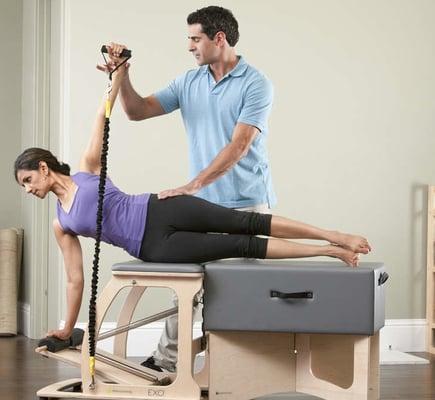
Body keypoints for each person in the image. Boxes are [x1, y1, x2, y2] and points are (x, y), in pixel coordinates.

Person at [14, 63, 371, 362]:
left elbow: (101, 117)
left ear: (44, 168)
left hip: (162, 205)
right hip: (155, 245)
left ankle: (334, 235)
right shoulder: (61, 224)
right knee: (242, 245)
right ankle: (328, 251)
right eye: (24, 186)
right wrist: (66, 327)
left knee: (246, 222)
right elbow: (75, 279)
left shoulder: (85, 170)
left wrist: (119, 74)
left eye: (29, 180)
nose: (30, 189)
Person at [99, 5, 277, 371]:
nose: (190, 46)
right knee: (185, 286)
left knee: (233, 292)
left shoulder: (256, 83)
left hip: (245, 204)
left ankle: (233, 368)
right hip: (200, 207)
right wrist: (122, 76)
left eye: (195, 39)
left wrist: (193, 183)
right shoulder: (189, 82)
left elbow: (239, 144)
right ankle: (166, 363)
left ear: (219, 38)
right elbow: (138, 110)